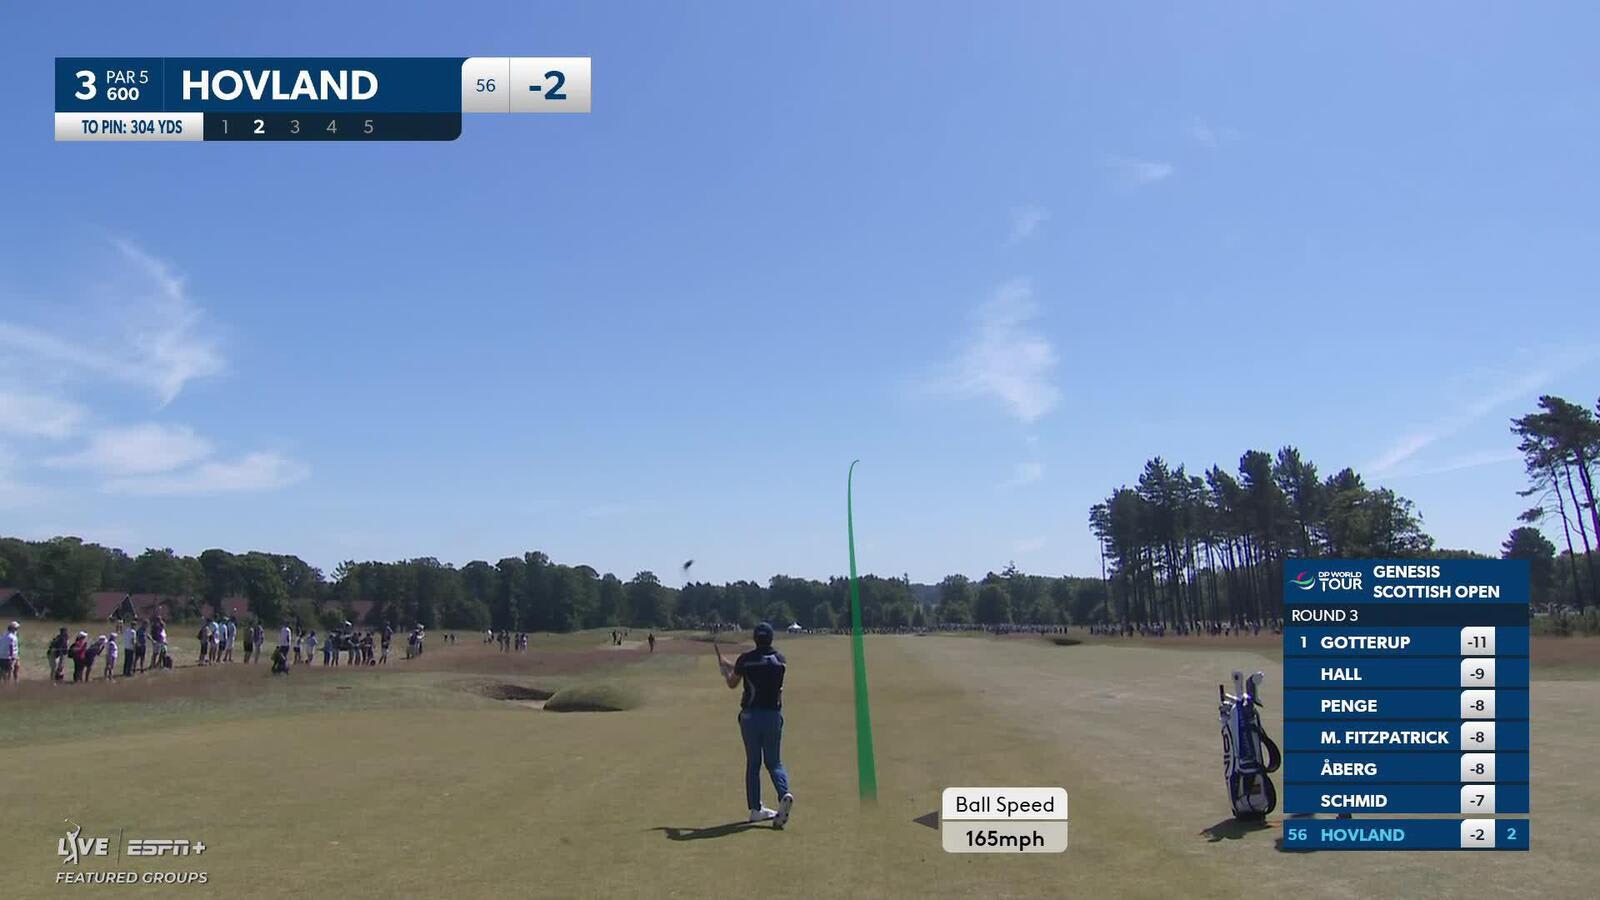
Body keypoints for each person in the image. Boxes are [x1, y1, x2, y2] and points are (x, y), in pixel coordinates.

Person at [715, 622, 794, 829]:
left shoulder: (746, 659)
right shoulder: (780, 661)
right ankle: (784, 793)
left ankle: (756, 809)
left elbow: (734, 682)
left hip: (750, 717)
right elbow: (756, 671)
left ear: (755, 638)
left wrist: (725, 670)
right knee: (774, 762)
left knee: (753, 763)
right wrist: (730, 664)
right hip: (773, 716)